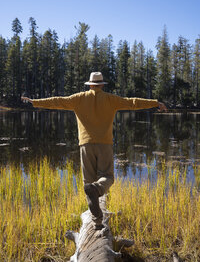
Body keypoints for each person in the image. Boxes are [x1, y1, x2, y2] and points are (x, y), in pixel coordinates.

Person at [21, 72, 167, 229]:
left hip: (86, 144)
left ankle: (96, 219)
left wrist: (35, 102)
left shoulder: (79, 98)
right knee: (108, 177)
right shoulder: (111, 99)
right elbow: (132, 102)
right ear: (102, 85)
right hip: (105, 144)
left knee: (88, 182)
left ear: (90, 84)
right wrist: (155, 102)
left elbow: (58, 101)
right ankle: (98, 189)